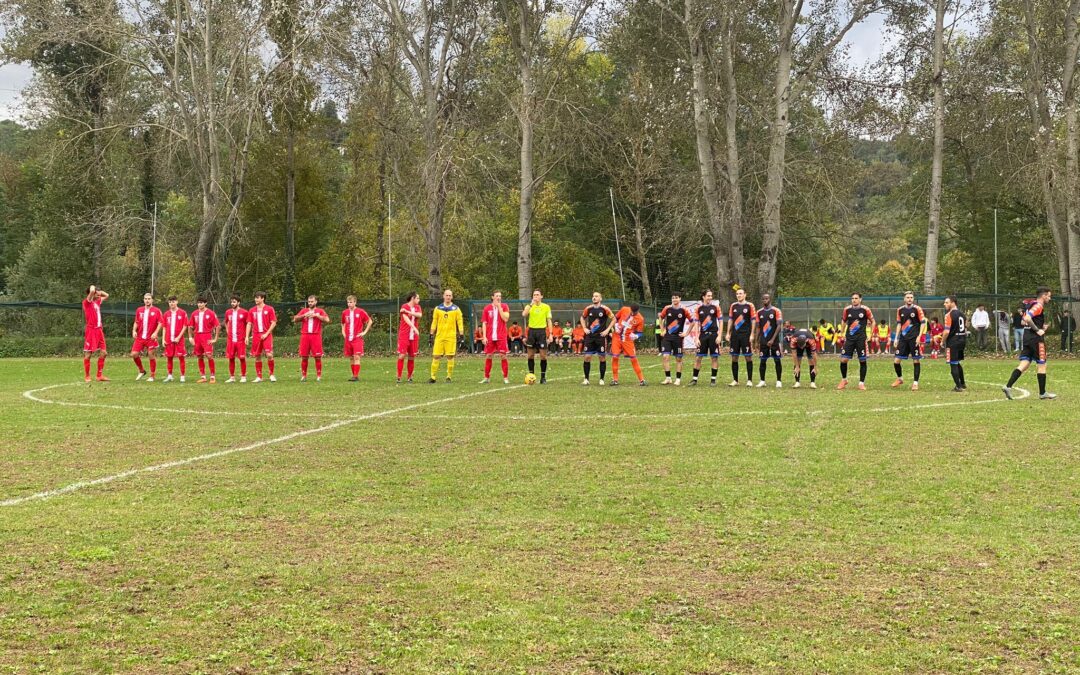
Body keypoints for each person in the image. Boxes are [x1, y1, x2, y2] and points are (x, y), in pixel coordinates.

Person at [1004, 287, 1057, 400]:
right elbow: (1027, 318)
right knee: (1042, 365)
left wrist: (1041, 327)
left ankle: (1008, 386)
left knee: (1025, 364)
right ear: (1043, 296)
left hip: (1027, 337)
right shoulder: (1038, 306)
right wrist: (1038, 330)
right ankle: (1042, 393)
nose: (1049, 298)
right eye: (1048, 296)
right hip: (1036, 339)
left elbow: (1024, 321)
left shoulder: (1031, 306)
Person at [837, 292, 875, 390]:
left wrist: (871, 334)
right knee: (843, 360)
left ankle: (861, 383)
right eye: (852, 298)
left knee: (862, 360)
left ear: (860, 299)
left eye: (856, 298)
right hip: (849, 338)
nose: (854, 300)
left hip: (861, 339)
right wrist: (841, 333)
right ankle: (844, 380)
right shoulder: (847, 309)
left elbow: (873, 321)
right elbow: (844, 321)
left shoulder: (865, 309)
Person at [891, 291, 927, 391]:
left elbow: (923, 323)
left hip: (914, 338)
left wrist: (919, 336)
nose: (909, 299)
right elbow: (899, 324)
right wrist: (896, 338)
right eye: (907, 297)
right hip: (903, 338)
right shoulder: (900, 310)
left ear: (913, 299)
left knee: (916, 360)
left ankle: (915, 383)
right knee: (896, 361)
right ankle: (900, 379)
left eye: (911, 297)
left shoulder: (917, 309)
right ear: (904, 299)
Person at [429, 289, 464, 383]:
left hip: (451, 336)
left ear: (452, 297)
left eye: (450, 295)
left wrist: (461, 335)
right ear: (443, 296)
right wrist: (431, 334)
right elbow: (434, 322)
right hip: (439, 336)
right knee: (436, 356)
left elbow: (460, 323)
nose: (448, 297)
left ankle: (449, 377)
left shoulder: (456, 309)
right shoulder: (438, 308)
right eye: (446, 295)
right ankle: (433, 377)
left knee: (450, 356)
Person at [580, 292, 615, 385]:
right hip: (590, 336)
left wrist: (607, 330)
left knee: (602, 357)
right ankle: (586, 379)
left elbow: (614, 319)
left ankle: (601, 379)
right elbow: (582, 318)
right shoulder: (588, 308)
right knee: (587, 357)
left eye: (596, 296)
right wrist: (584, 328)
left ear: (600, 298)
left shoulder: (605, 309)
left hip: (601, 337)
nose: (594, 298)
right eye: (593, 296)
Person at [293, 294, 330, 381]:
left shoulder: (320, 311)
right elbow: (295, 319)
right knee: (304, 356)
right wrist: (304, 315)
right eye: (309, 302)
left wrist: (317, 316)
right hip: (305, 335)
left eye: (312, 301)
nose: (310, 303)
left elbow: (327, 320)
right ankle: (304, 376)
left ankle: (318, 376)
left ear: (316, 302)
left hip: (316, 335)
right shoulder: (304, 310)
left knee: (317, 356)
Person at [658, 292, 692, 385]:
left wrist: (686, 333)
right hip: (667, 337)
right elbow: (660, 318)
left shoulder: (684, 310)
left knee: (678, 359)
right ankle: (668, 378)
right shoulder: (667, 308)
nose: (674, 299)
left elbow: (692, 321)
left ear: (680, 299)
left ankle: (678, 379)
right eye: (673, 298)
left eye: (676, 298)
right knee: (665, 357)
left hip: (678, 338)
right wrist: (662, 330)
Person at [726, 287, 757, 387]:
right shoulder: (733, 306)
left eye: (740, 293)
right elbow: (730, 320)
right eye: (737, 294)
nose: (739, 295)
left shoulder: (749, 305)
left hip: (746, 335)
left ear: (745, 295)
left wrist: (752, 334)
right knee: (734, 357)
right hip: (735, 335)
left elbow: (753, 320)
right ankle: (735, 380)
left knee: (748, 357)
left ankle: (749, 380)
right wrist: (728, 333)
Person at [610, 302, 646, 386]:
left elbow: (640, 332)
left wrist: (636, 336)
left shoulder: (640, 319)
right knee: (615, 357)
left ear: (638, 310)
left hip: (627, 340)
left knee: (633, 358)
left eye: (635, 312)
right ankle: (615, 380)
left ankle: (642, 380)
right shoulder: (624, 309)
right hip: (617, 337)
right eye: (632, 311)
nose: (633, 313)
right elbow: (615, 317)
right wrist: (615, 325)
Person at [690, 289, 721, 386]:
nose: (710, 298)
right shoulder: (698, 309)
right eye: (708, 296)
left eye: (711, 296)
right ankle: (694, 380)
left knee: (714, 358)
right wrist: (696, 337)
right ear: (703, 297)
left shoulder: (716, 307)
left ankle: (713, 380)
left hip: (713, 335)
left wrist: (719, 335)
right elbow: (696, 324)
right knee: (698, 357)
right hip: (703, 336)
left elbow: (720, 321)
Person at [522, 289, 553, 383]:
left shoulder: (546, 307)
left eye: (537, 295)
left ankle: (543, 377)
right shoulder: (529, 306)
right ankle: (531, 376)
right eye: (534, 295)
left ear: (541, 296)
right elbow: (524, 314)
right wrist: (531, 304)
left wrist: (550, 334)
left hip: (541, 332)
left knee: (543, 356)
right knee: (530, 355)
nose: (535, 296)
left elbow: (549, 321)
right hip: (531, 332)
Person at [480, 290, 511, 384]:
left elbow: (505, 319)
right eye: (497, 296)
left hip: (501, 336)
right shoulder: (487, 308)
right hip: (490, 336)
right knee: (489, 355)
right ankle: (486, 377)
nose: (498, 297)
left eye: (500, 296)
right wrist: (484, 337)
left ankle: (505, 378)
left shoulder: (504, 306)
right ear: (492, 297)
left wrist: (499, 308)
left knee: (503, 356)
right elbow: (484, 323)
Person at [130, 292, 162, 382]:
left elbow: (160, 323)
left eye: (149, 299)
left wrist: (155, 333)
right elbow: (136, 321)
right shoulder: (139, 310)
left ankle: (152, 376)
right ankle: (142, 371)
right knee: (134, 354)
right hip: (140, 337)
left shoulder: (156, 310)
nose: (147, 300)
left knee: (151, 355)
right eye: (145, 299)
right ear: (143, 300)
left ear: (152, 300)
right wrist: (134, 330)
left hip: (151, 338)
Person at [188, 296, 220, 383]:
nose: (199, 304)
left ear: (205, 303)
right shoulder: (194, 313)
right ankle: (203, 377)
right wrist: (190, 337)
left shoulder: (211, 313)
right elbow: (190, 326)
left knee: (209, 355)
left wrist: (215, 338)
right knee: (199, 356)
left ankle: (212, 376)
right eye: (198, 303)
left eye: (201, 303)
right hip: (197, 336)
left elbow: (217, 326)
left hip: (207, 336)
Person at [82, 284, 110, 382]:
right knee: (88, 354)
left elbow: (107, 295)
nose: (99, 296)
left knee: (104, 353)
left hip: (99, 331)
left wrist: (99, 292)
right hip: (91, 331)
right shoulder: (87, 302)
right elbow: (92, 291)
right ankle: (87, 376)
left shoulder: (97, 302)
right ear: (92, 294)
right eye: (97, 294)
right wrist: (92, 287)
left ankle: (99, 376)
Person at [342, 295, 372, 381]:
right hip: (348, 338)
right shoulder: (345, 312)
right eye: (348, 302)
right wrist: (343, 333)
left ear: (355, 302)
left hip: (357, 338)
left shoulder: (361, 311)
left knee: (356, 357)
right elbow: (343, 323)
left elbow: (370, 321)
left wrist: (364, 332)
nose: (349, 304)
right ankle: (353, 375)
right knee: (351, 357)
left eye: (351, 302)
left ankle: (355, 376)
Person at [756, 293, 783, 388]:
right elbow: (758, 327)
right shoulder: (759, 312)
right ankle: (762, 381)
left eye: (766, 298)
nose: (765, 300)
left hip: (774, 341)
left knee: (777, 360)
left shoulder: (776, 311)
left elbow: (779, 326)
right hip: (763, 341)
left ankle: (779, 381)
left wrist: (772, 339)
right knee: (762, 361)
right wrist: (756, 341)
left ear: (770, 299)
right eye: (763, 299)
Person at [249, 291, 278, 383]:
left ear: (262, 298)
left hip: (266, 334)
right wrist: (247, 336)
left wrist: (266, 333)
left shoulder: (269, 309)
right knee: (257, 356)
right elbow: (249, 323)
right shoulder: (252, 310)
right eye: (255, 297)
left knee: (269, 354)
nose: (256, 299)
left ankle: (272, 374)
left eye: (258, 297)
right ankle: (259, 376)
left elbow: (273, 322)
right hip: (256, 335)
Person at [942, 296, 968, 392]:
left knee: (953, 364)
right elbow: (965, 329)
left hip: (953, 341)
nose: (945, 304)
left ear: (953, 303)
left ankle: (958, 386)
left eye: (946, 302)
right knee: (957, 362)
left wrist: (942, 341)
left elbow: (946, 332)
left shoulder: (949, 315)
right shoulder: (962, 314)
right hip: (962, 340)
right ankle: (963, 383)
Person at [396, 292, 423, 383]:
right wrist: (414, 327)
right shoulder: (404, 306)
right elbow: (405, 318)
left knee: (412, 356)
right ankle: (399, 376)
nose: (419, 300)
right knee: (402, 355)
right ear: (413, 298)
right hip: (404, 335)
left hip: (413, 336)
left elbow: (419, 315)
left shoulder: (417, 307)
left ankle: (409, 377)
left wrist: (409, 312)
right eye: (417, 298)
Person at [161, 295, 188, 383]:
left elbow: (185, 326)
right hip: (168, 339)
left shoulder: (182, 313)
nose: (172, 303)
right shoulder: (166, 314)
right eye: (170, 302)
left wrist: (178, 337)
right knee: (169, 357)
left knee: (181, 357)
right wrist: (163, 339)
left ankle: (182, 376)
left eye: (173, 301)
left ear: (177, 302)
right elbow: (164, 327)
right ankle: (169, 376)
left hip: (179, 339)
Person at [223, 295, 250, 383]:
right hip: (231, 339)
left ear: (238, 302)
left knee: (242, 358)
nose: (232, 303)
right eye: (231, 302)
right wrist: (228, 331)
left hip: (240, 339)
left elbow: (248, 324)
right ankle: (232, 377)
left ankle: (243, 376)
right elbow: (226, 322)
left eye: (234, 302)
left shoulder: (245, 312)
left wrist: (246, 336)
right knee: (231, 358)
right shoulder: (228, 312)